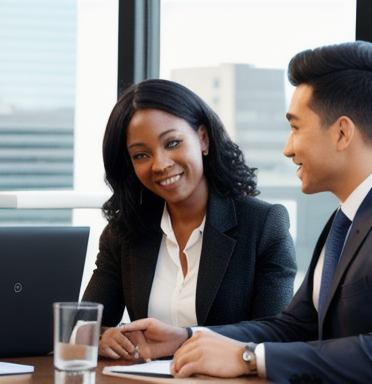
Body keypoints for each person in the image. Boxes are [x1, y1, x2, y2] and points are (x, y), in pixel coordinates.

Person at [121, 41, 372, 383]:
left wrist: (250, 357)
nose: (287, 148)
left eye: (296, 127)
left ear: (342, 132)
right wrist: (188, 338)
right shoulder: (342, 223)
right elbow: (295, 326)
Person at [81, 78, 297, 360]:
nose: (160, 164)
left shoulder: (264, 225)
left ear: (203, 139)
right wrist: (102, 337)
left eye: (172, 143)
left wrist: (188, 339)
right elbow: (82, 326)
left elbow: (275, 333)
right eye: (141, 155)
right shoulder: (124, 232)